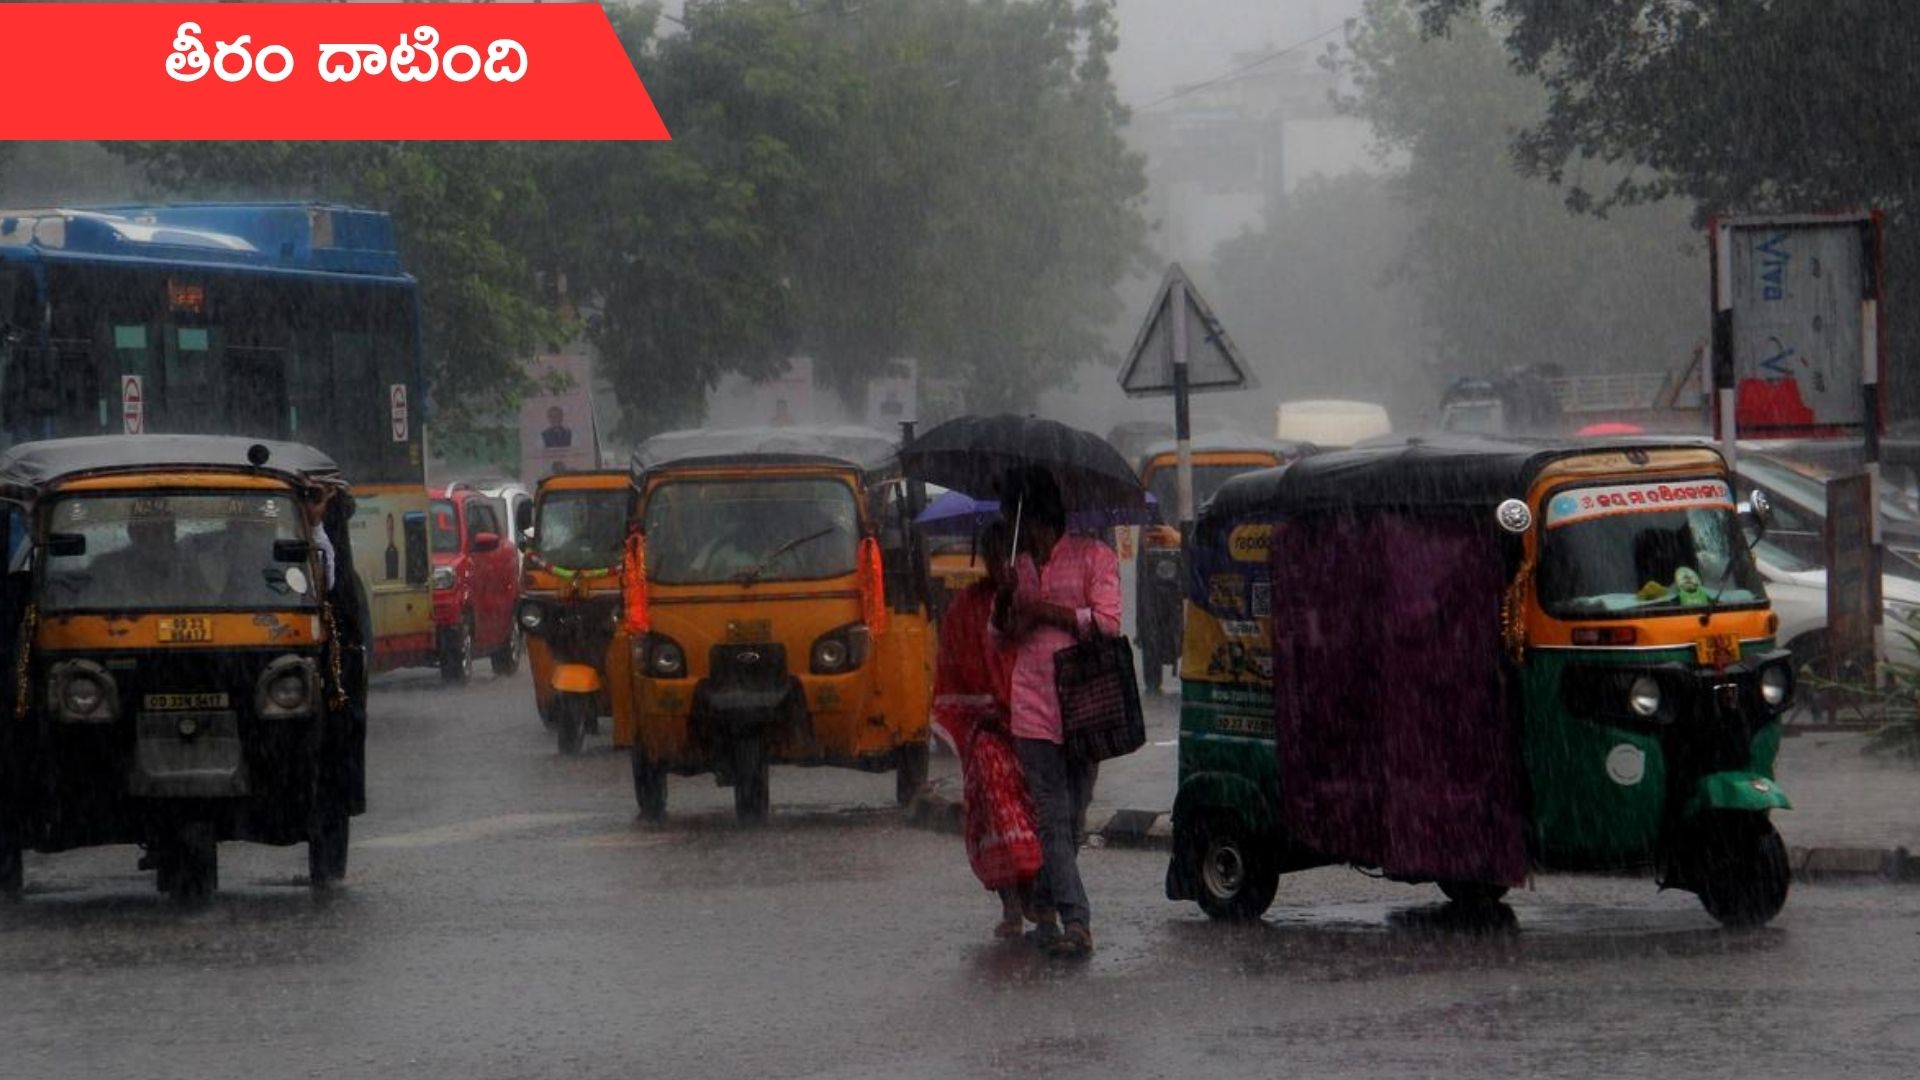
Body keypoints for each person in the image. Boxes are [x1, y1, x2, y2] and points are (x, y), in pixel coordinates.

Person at [995, 466, 1122, 960]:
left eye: (1015, 521)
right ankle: (1078, 920)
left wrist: (1048, 611)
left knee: (1071, 817)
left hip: (1085, 709)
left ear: (1036, 520)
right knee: (1051, 818)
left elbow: (1108, 624)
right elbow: (999, 636)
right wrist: (1007, 597)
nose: (1011, 532)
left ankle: (1044, 896)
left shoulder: (1095, 557)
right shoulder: (1019, 568)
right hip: (1032, 710)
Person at [931, 520, 1043, 939]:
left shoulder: (1033, 604)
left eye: (1010, 557)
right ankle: (1011, 904)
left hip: (1032, 725)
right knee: (997, 812)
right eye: (997, 557)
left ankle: (1035, 894)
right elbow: (954, 670)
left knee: (1035, 815)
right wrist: (986, 713)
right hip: (987, 732)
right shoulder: (966, 607)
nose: (1003, 565)